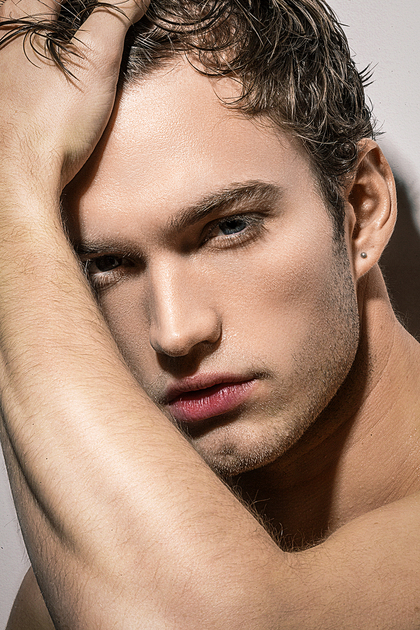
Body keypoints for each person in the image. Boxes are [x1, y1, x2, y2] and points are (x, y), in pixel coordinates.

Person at [1, 0, 419, 627]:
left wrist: (10, 179)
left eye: (229, 228)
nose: (175, 331)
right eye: (106, 264)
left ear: (361, 209)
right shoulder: (74, 596)